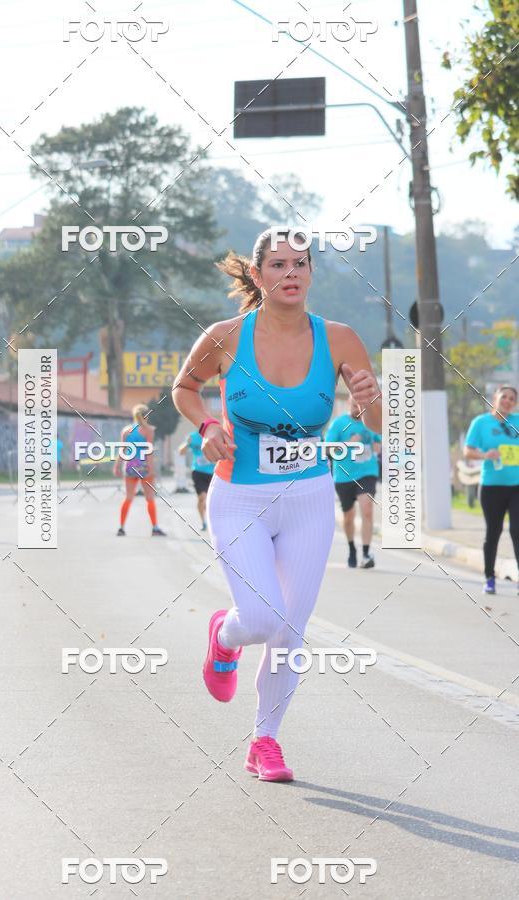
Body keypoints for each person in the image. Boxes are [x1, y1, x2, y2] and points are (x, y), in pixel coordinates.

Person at [172, 228, 381, 781]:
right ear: (259, 275)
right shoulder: (225, 336)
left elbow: (382, 423)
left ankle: (265, 740)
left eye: (302, 264)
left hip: (310, 497)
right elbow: (184, 388)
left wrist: (368, 401)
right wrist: (208, 424)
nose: (292, 274)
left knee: (291, 629)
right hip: (239, 496)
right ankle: (224, 635)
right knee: (261, 618)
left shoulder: (339, 339)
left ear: (312, 274)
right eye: (280, 265)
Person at [463, 385, 519, 595]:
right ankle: (489, 577)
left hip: (516, 487)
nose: (507, 401)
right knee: (493, 533)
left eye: (512, 399)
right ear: (495, 398)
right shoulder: (481, 423)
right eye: (504, 397)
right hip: (492, 487)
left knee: (517, 531)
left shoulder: (517, 422)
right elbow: (468, 452)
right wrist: (486, 455)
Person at [325, 396, 382, 568]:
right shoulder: (338, 424)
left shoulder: (369, 423)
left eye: (361, 404)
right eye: (355, 404)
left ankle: (365, 553)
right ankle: (352, 548)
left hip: (367, 472)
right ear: (349, 404)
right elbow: (327, 450)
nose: (358, 407)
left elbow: (378, 446)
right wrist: (348, 443)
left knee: (367, 510)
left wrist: (377, 445)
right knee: (348, 517)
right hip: (344, 476)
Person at [113, 403, 166, 537]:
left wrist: (117, 465)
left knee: (128, 498)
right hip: (143, 466)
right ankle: (155, 528)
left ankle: (121, 527)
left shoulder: (126, 431)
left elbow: (122, 450)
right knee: (150, 499)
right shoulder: (149, 431)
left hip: (130, 466)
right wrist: (151, 469)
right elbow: (148, 451)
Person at [178, 428, 215, 531]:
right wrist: (187, 443)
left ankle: (210, 521)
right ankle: (203, 522)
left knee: (210, 500)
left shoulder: (213, 435)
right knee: (202, 498)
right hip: (198, 471)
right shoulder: (192, 436)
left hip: (212, 473)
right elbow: (181, 451)